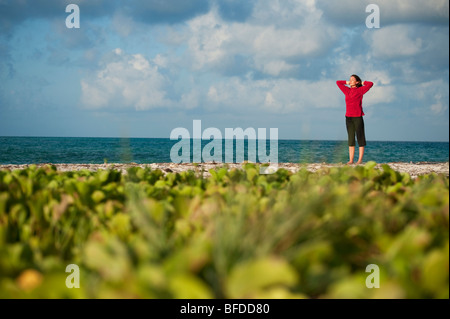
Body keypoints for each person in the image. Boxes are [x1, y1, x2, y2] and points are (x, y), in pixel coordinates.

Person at [336, 75, 373, 165]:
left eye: (353, 79)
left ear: (357, 82)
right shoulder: (347, 90)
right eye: (350, 79)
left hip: (358, 116)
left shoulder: (360, 90)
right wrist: (348, 83)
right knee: (351, 139)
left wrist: (361, 82)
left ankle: (360, 160)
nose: (350, 80)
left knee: (360, 138)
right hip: (348, 117)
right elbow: (338, 82)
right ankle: (351, 160)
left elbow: (370, 84)